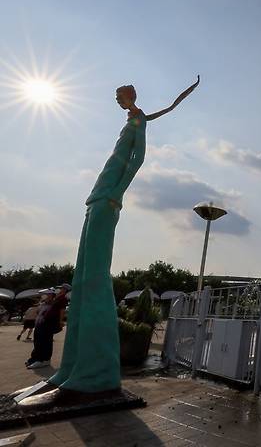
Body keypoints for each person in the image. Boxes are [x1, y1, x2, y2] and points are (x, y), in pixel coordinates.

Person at [45, 77, 200, 396]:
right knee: (81, 280)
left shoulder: (139, 120)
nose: (118, 100)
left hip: (108, 197)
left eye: (121, 96)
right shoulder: (132, 119)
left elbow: (138, 158)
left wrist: (117, 191)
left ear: (132, 95)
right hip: (96, 197)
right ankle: (71, 367)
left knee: (95, 280)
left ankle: (96, 372)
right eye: (116, 97)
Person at [26, 284, 71, 369]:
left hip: (50, 322)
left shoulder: (63, 299)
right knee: (38, 340)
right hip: (42, 321)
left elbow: (62, 310)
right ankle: (35, 358)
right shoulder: (56, 298)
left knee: (45, 341)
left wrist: (61, 321)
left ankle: (44, 360)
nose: (59, 289)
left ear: (65, 290)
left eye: (61, 288)